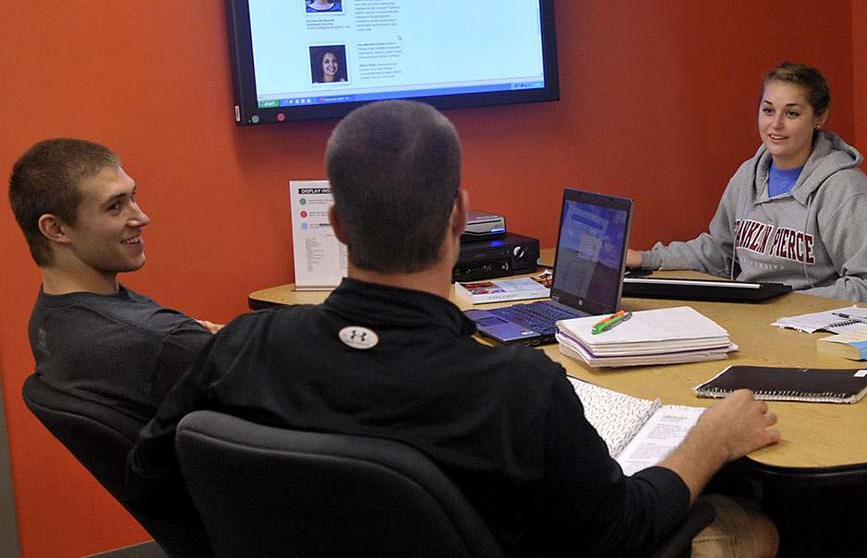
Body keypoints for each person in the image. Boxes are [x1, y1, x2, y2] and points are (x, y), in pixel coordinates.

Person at [126, 100, 781, 556]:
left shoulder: (243, 346)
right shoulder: (516, 389)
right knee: (753, 525)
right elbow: (622, 534)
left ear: (336, 224)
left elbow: (151, 475)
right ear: (461, 214)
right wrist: (710, 441)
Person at [627, 62, 867, 302]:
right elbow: (719, 253)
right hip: (755, 316)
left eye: (792, 114)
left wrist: (783, 302)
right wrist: (644, 258)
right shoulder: (748, 174)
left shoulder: (846, 190)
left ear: (819, 118)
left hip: (810, 328)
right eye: (768, 110)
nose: (775, 124)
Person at [8, 139, 220, 421]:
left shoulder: (48, 318)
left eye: (132, 197)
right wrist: (203, 343)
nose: (141, 217)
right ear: (56, 228)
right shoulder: (157, 339)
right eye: (115, 207)